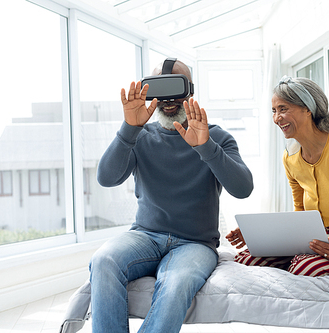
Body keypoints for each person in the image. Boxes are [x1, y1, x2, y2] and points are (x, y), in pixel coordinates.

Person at [89, 59, 253, 333]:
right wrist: (130, 128)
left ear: (189, 91)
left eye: (174, 87)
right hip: (145, 236)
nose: (167, 99)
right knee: (103, 260)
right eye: (158, 88)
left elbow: (243, 188)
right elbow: (107, 178)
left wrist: (206, 147)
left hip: (195, 244)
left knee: (176, 283)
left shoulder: (215, 137)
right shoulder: (140, 136)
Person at [226, 76, 329, 277]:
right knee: (245, 259)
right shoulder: (290, 157)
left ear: (308, 108)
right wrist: (260, 236)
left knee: (303, 267)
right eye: (274, 111)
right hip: (315, 238)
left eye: (283, 109)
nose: (277, 118)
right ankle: (295, 262)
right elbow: (300, 213)